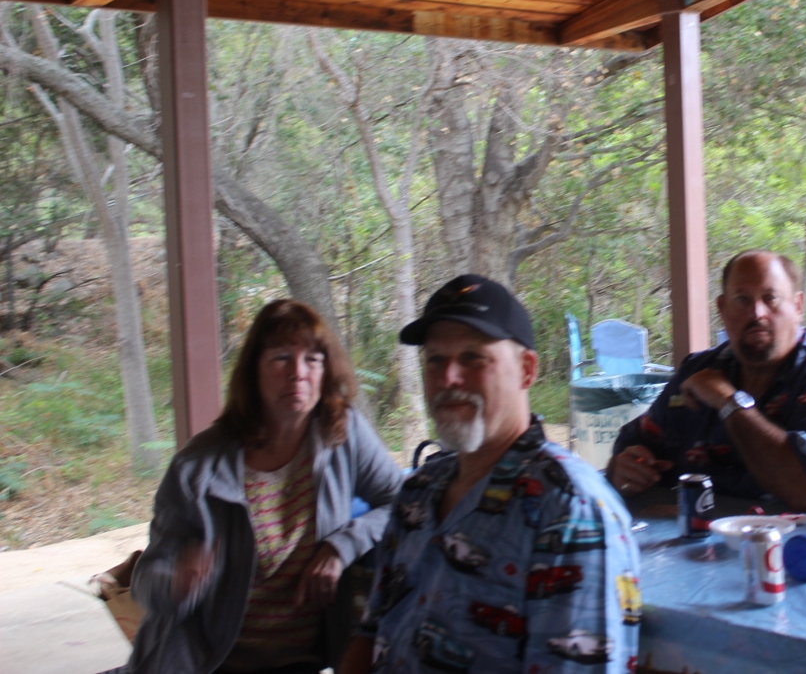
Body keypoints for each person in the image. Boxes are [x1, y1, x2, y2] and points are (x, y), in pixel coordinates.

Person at [341, 274, 640, 674]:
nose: (448, 378)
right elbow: (371, 634)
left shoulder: (572, 509)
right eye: (435, 360)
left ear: (526, 370)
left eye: (473, 358)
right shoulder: (418, 490)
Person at [128, 300, 403, 674]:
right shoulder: (197, 467)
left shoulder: (343, 433)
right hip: (207, 662)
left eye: (312, 360)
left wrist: (341, 547)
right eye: (281, 357)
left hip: (302, 661)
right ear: (253, 370)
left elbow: (400, 501)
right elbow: (144, 581)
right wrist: (177, 582)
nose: (298, 373)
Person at [609, 250, 806, 511]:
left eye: (770, 298)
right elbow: (633, 444)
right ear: (722, 308)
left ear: (797, 306)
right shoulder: (699, 369)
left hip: (805, 541)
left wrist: (728, 401)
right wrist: (624, 467)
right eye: (742, 299)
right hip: (684, 536)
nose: (757, 313)